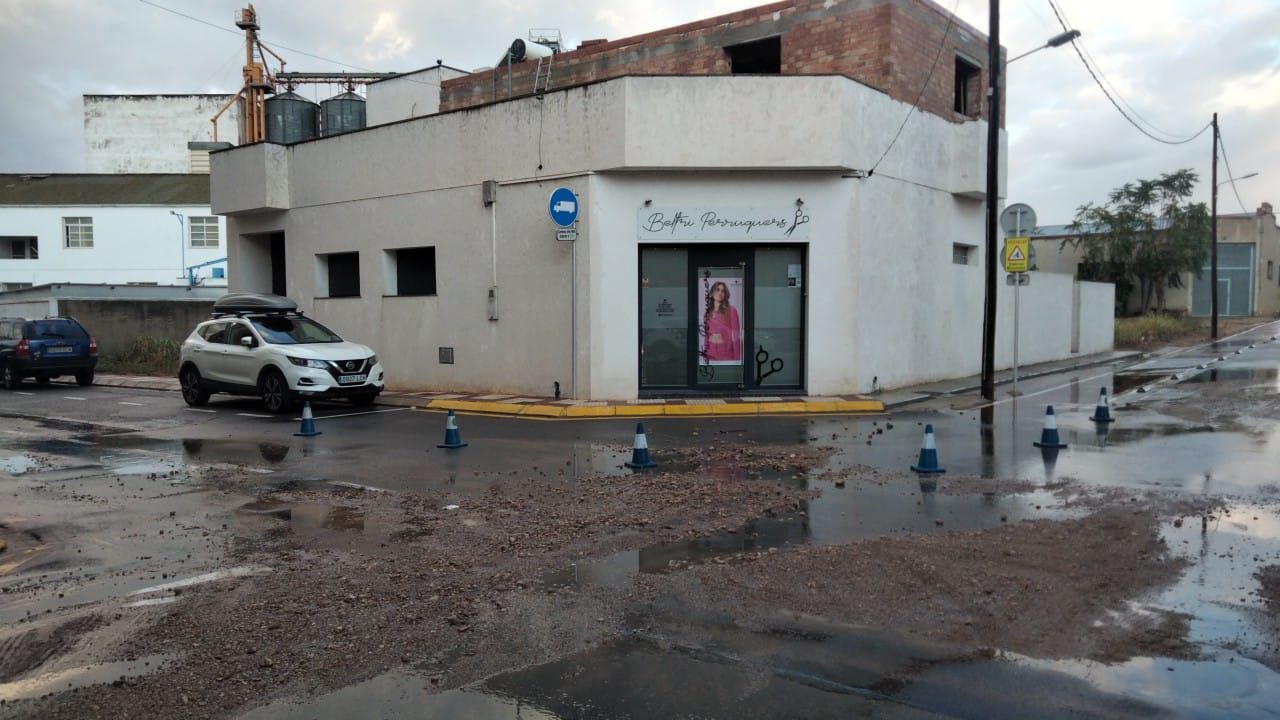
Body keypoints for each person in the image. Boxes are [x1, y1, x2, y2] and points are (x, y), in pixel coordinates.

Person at [702, 280, 741, 363]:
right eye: (717, 290)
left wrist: (737, 359)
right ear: (712, 293)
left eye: (723, 291)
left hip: (725, 352)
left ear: (725, 294)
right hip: (710, 352)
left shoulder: (731, 311)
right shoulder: (707, 313)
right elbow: (706, 336)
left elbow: (736, 337)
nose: (720, 293)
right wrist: (705, 354)